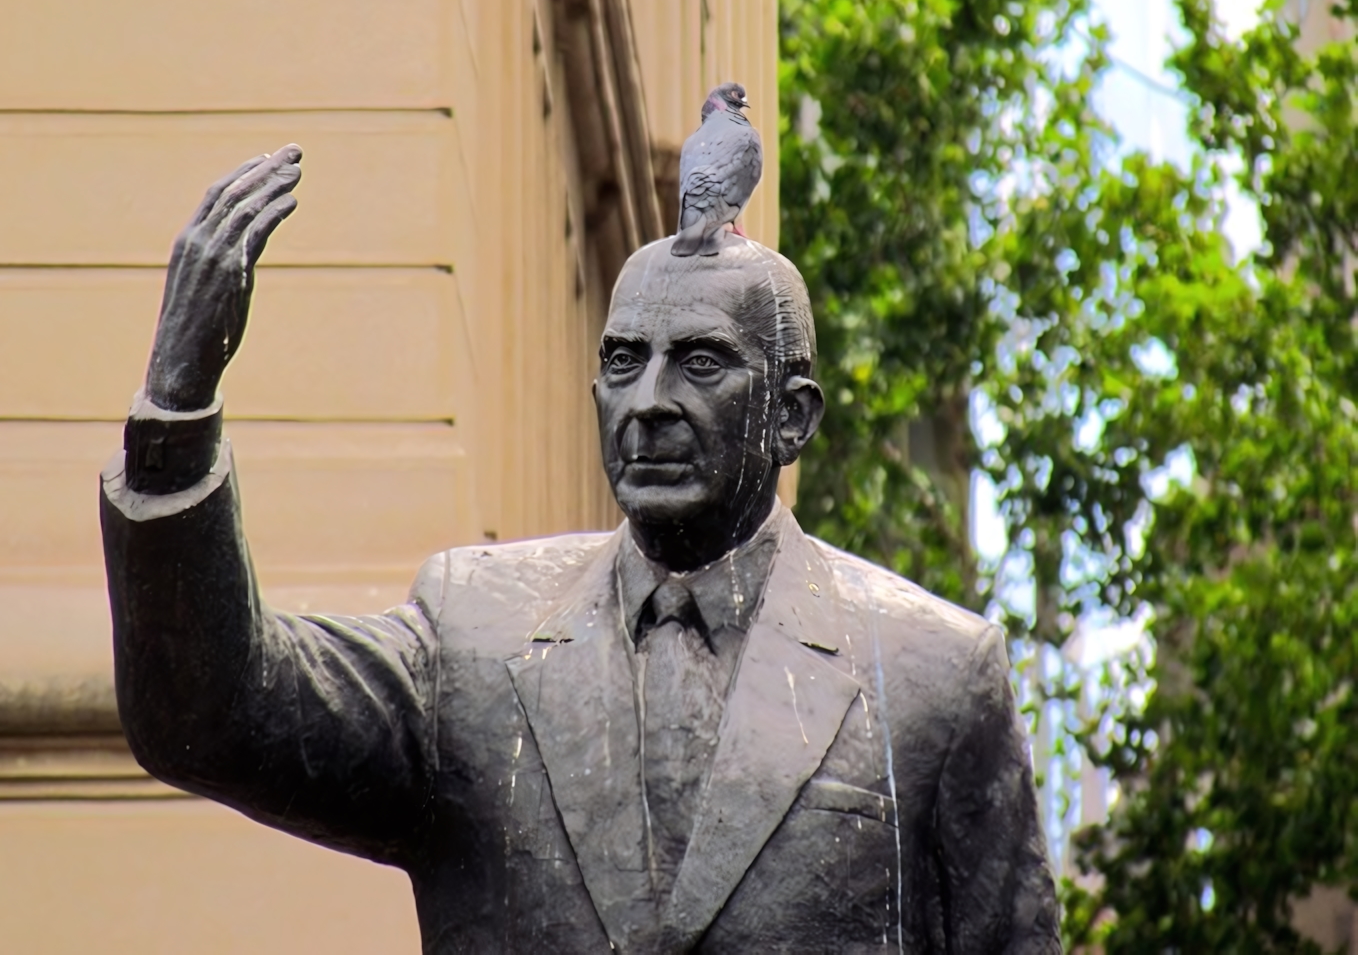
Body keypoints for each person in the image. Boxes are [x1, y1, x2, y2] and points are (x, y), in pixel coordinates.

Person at [102, 144, 1060, 953]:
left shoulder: (932, 674)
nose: (648, 400)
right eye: (621, 360)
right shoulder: (473, 636)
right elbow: (215, 715)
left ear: (792, 418)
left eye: (700, 362)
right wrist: (177, 411)